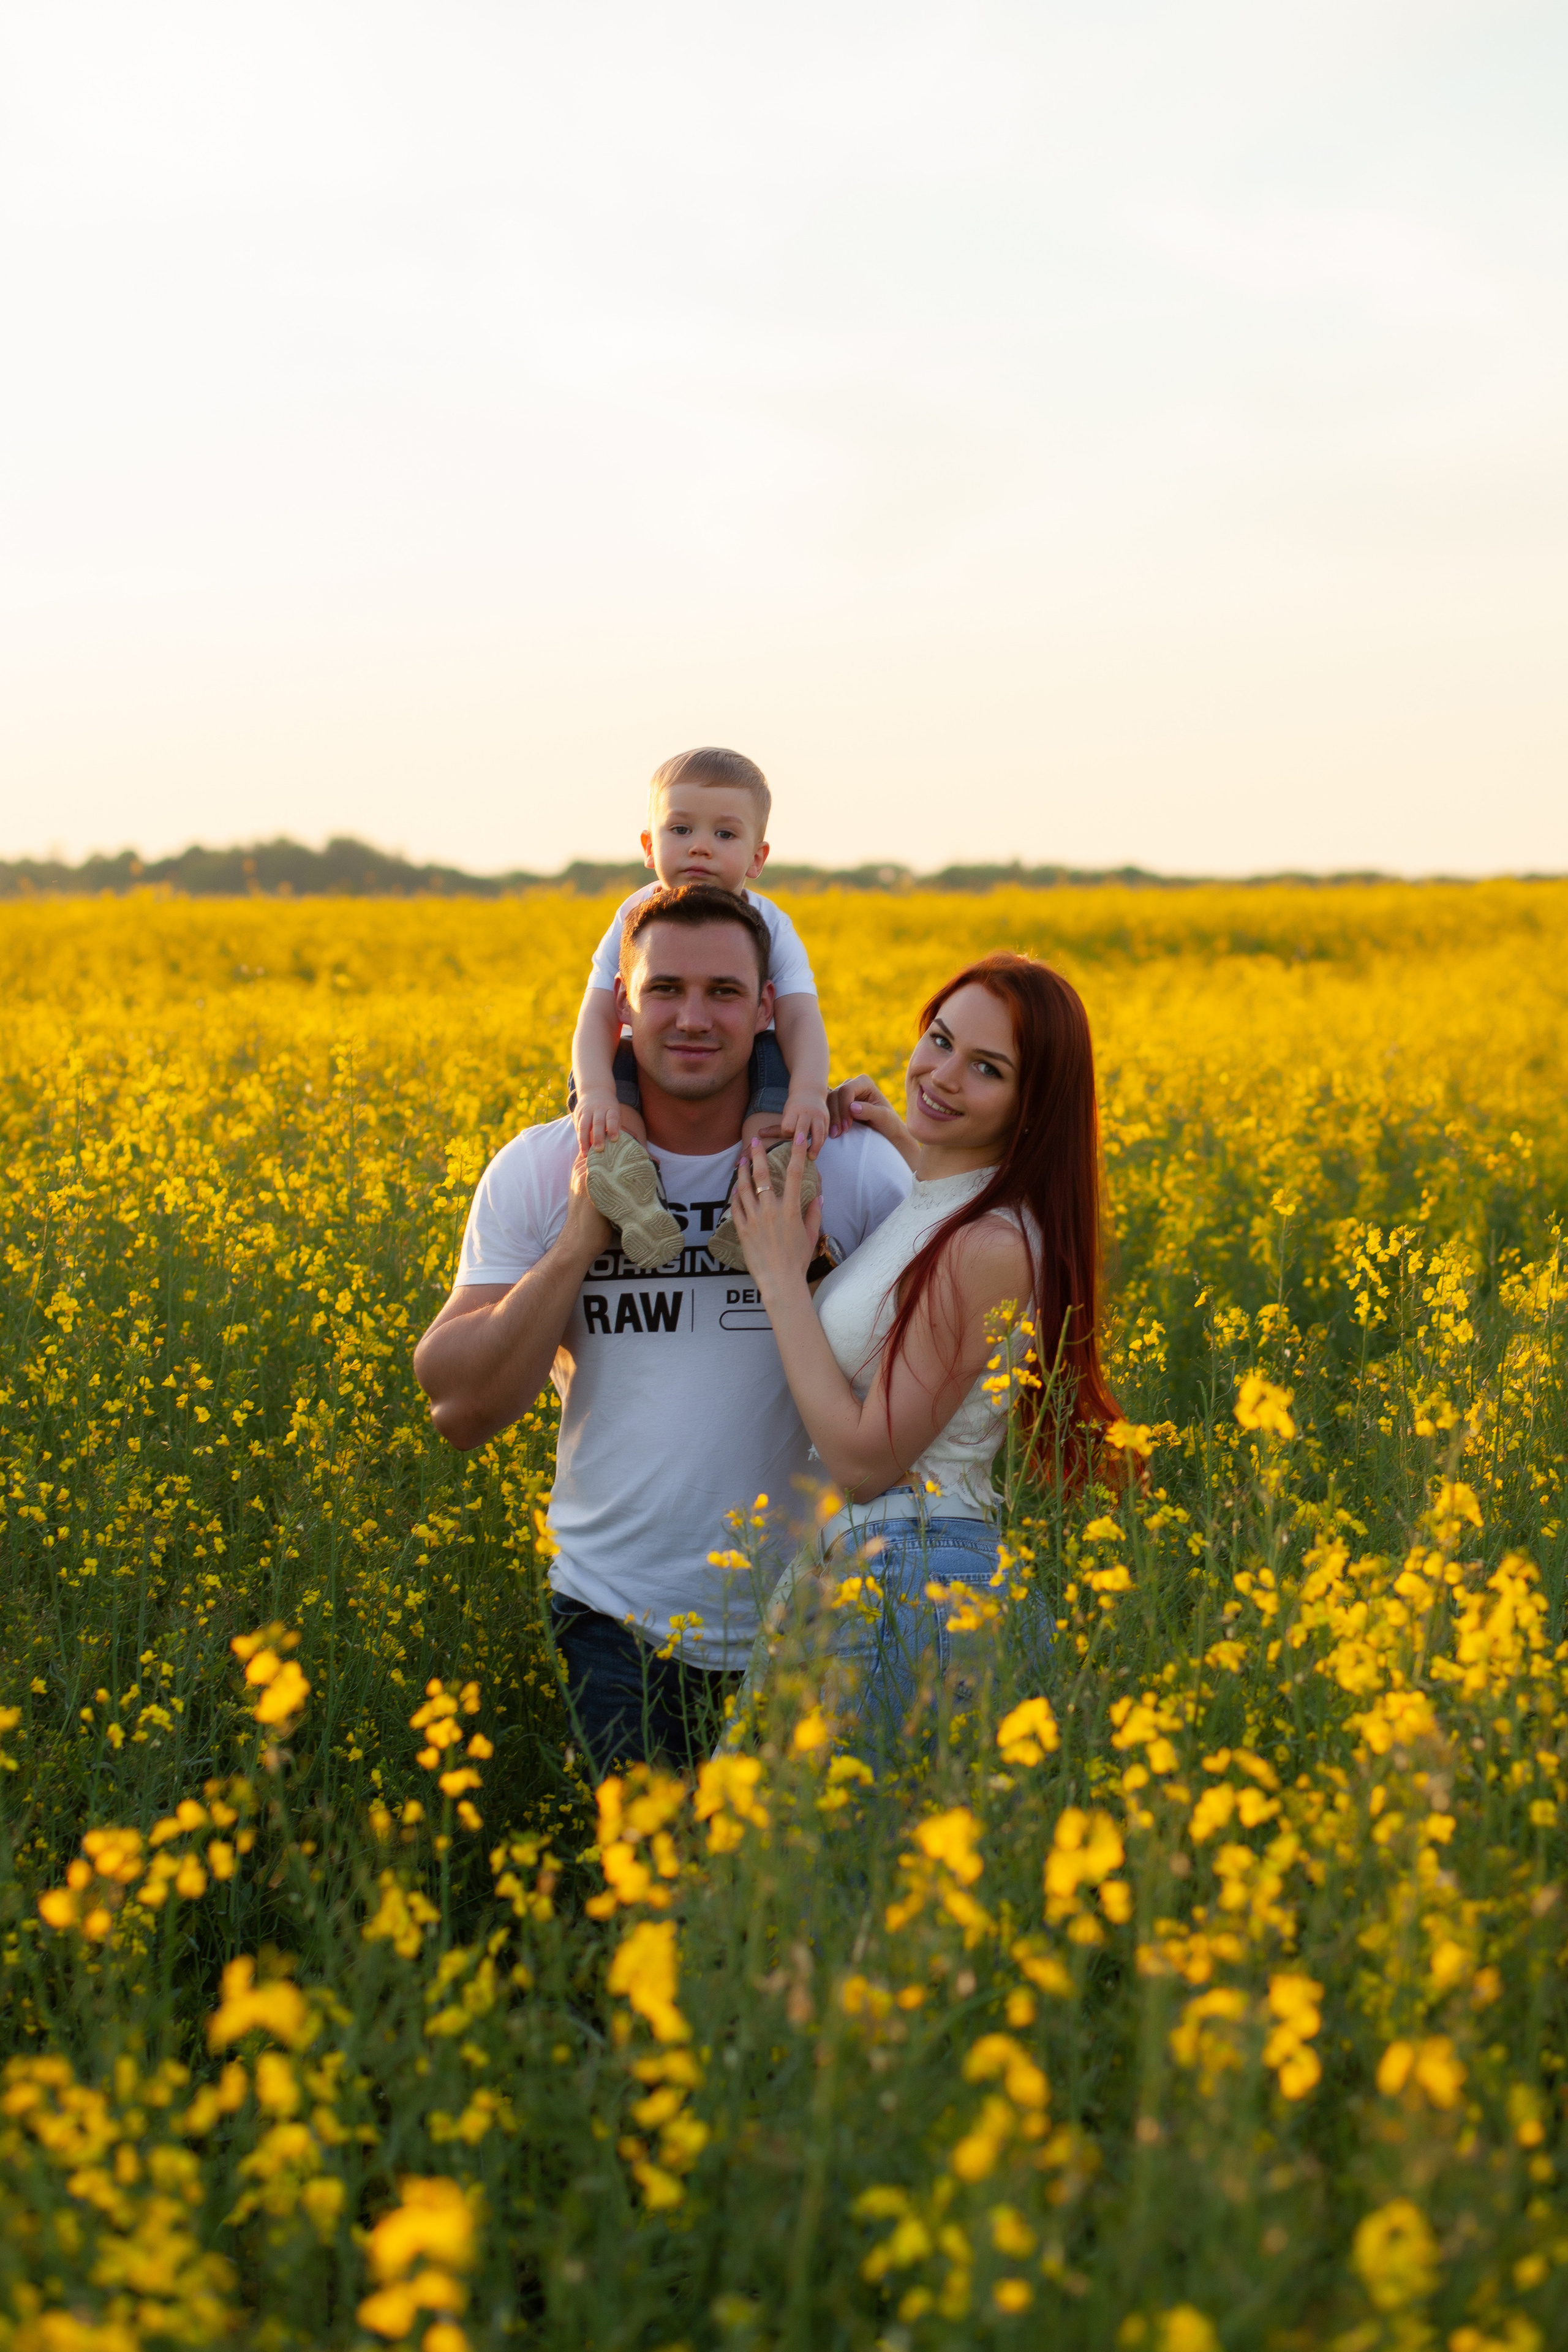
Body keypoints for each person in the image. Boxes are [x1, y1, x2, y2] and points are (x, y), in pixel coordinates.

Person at [412, 883, 911, 1777]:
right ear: (621, 1006)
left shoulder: (851, 1168)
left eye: (724, 992)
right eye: (665, 990)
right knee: (653, 1867)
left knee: (785, 1873)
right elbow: (458, 1407)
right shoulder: (540, 1167)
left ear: (767, 1008)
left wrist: (869, 1208)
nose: (692, 1018)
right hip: (614, 1620)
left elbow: (956, 1374)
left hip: (821, 1613)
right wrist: (576, 1245)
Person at [723, 951, 1122, 1752]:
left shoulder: (988, 1247)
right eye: (939, 1040)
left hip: (918, 1579)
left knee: (840, 1835)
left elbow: (865, 1463)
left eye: (986, 1069)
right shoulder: (948, 1204)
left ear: (1031, 1106)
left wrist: (780, 1279)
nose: (940, 1075)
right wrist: (904, 1135)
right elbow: (937, 1222)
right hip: (887, 1567)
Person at [568, 745, 832, 1272]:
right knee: (616, 1103)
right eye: (681, 829)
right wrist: (595, 1092)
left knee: (774, 1100)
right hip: (648, 1058)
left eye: (725, 835)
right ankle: (629, 1184)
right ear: (650, 846)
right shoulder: (633, 917)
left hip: (744, 1059)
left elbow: (800, 1017)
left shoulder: (771, 924)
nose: (700, 848)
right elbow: (598, 1014)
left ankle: (761, 1190)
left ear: (757, 858)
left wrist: (808, 1092)